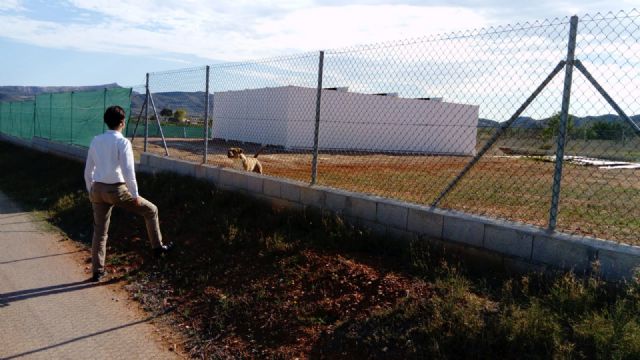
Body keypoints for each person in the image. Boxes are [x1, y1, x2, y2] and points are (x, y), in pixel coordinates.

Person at [84, 105, 173, 282]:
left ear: (106, 122)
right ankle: (158, 249)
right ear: (123, 123)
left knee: (100, 232)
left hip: (97, 190)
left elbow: (88, 169)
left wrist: (91, 190)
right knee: (151, 210)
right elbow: (128, 171)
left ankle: (97, 272)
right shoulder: (123, 142)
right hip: (116, 189)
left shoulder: (96, 140)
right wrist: (135, 194)